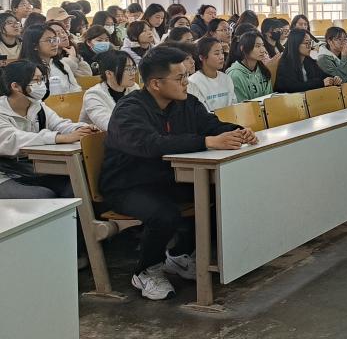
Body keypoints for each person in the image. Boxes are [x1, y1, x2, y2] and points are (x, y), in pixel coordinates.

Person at [100, 46, 257, 300]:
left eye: (187, 75)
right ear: (155, 84)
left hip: (168, 178)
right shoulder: (129, 110)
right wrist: (206, 142)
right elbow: (151, 144)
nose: (186, 82)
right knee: (164, 213)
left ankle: (179, 255)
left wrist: (238, 131)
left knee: (220, 194)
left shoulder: (186, 103)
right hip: (128, 184)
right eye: (180, 78)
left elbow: (211, 125)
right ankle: (146, 270)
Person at [0, 60, 98, 199]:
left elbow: (59, 124)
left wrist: (83, 128)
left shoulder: (37, 105)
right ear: (15, 86)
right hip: (5, 174)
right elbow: (13, 139)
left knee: (75, 186)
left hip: (31, 168)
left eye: (42, 79)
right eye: (36, 80)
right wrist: (57, 138)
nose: (41, 84)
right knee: (43, 195)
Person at [80, 50, 139, 131]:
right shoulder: (93, 95)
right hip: (101, 137)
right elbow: (109, 125)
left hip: (129, 134)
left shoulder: (133, 88)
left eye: (133, 68)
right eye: (127, 69)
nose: (132, 73)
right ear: (109, 73)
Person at [19, 24, 81, 96]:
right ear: (34, 45)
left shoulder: (61, 64)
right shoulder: (27, 69)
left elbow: (75, 88)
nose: (55, 44)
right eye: (49, 40)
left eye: (55, 39)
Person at [273, 29, 340, 93]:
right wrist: (321, 83)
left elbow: (321, 75)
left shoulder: (308, 60)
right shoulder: (286, 63)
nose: (309, 46)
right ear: (296, 44)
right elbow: (292, 87)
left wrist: (333, 78)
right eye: (306, 43)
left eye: (310, 43)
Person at [188, 37, 236, 111]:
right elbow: (200, 112)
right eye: (216, 54)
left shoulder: (226, 78)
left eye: (222, 52)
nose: (221, 57)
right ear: (202, 57)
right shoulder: (193, 82)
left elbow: (234, 105)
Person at [226, 31, 273, 101]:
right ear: (243, 48)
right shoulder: (235, 75)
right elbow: (241, 104)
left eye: (263, 45)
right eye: (257, 46)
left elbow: (270, 97)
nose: (263, 50)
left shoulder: (263, 70)